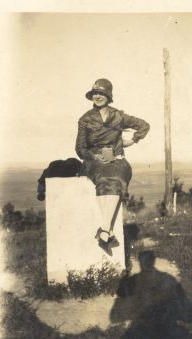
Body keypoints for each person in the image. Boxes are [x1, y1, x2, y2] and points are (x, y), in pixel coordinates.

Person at [75, 78, 150, 254]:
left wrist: (132, 140)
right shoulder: (85, 120)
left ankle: (104, 230)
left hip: (117, 160)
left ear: (108, 96)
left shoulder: (118, 116)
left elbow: (144, 126)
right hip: (94, 162)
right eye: (95, 93)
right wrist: (95, 156)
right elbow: (80, 148)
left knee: (119, 175)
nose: (98, 96)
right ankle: (106, 231)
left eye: (101, 93)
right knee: (103, 178)